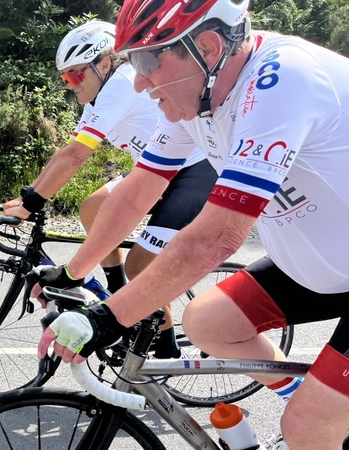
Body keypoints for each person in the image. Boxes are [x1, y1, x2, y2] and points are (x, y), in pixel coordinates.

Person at [34, 0, 349, 448]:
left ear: (207, 45)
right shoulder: (198, 98)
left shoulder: (282, 80)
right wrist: (72, 273)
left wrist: (107, 318)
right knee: (208, 322)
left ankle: (324, 421)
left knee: (307, 426)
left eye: (146, 60)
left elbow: (214, 239)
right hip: (324, 269)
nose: (139, 82)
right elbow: (134, 193)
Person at [3, 19, 218, 357]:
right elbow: (66, 150)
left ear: (103, 64)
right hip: (159, 171)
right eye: (65, 78)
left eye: (76, 75)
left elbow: (76, 156)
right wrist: (28, 196)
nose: (70, 84)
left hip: (195, 172)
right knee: (92, 207)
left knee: (141, 265)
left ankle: (163, 348)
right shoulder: (97, 96)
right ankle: (118, 300)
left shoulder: (119, 85)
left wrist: (30, 205)